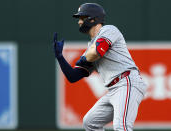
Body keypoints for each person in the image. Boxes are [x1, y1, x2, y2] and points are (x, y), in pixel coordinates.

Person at [53, 3, 147, 131]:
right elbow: (73, 76)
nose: (79, 22)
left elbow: (96, 52)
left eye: (82, 18)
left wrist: (85, 58)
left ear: (93, 19)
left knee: (121, 126)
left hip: (127, 82)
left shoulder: (108, 30)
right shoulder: (90, 46)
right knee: (90, 122)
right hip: (113, 89)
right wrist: (60, 57)